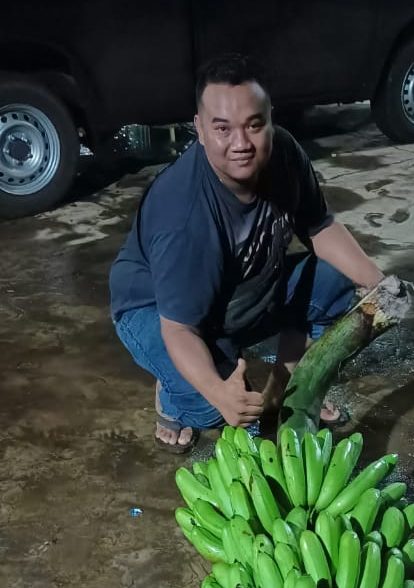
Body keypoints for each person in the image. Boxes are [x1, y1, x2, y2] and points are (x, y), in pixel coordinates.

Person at [109, 54, 384, 453]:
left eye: (254, 125)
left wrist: (378, 284)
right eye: (223, 129)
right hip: (157, 309)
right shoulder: (183, 214)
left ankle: (288, 388)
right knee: (212, 410)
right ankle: (172, 390)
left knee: (340, 283)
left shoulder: (285, 154)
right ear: (200, 130)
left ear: (270, 119)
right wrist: (220, 394)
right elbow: (179, 329)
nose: (241, 144)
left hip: (240, 288)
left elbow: (318, 225)